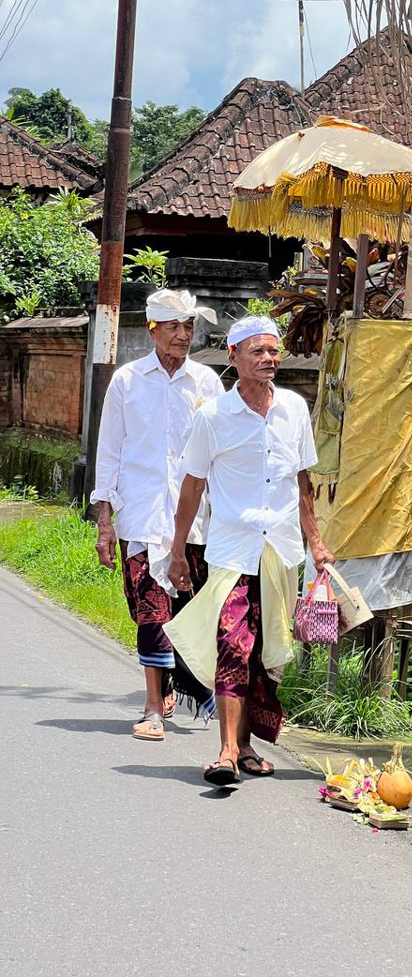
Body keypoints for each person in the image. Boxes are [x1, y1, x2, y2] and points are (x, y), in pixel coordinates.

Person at [165, 315, 333, 785]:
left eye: (273, 351)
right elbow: (192, 487)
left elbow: (302, 482)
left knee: (267, 653)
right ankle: (223, 752)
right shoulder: (212, 417)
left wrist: (316, 543)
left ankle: (245, 746)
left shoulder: (296, 409)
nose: (269, 359)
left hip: (281, 551)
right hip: (232, 551)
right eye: (257, 351)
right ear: (234, 357)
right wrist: (178, 551)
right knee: (232, 645)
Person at [91, 289, 224, 741]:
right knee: (149, 608)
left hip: (193, 519)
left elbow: (220, 453)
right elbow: (108, 453)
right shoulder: (127, 382)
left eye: (189, 327)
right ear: (153, 330)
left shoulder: (206, 383)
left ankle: (174, 682)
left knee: (186, 608)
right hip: (142, 514)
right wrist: (105, 524)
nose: (183, 336)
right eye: (174, 327)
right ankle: (152, 706)